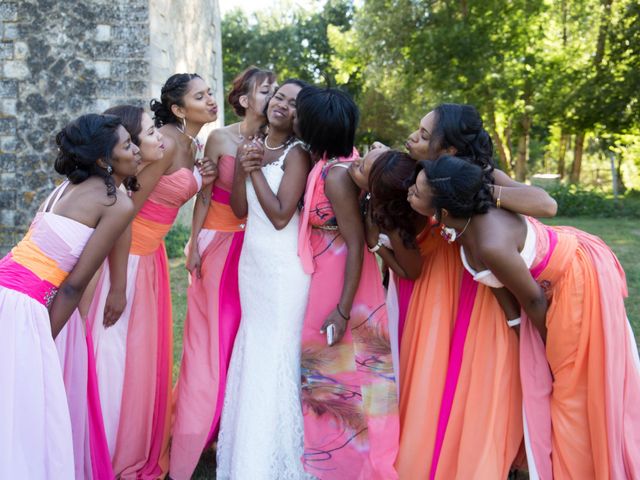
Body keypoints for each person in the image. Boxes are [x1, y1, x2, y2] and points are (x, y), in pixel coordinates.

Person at [412, 154, 640, 479]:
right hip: (549, 287)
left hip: (575, 282)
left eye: (417, 192)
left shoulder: (490, 242)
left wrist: (551, 356)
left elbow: (533, 300)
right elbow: (502, 289)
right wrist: (518, 331)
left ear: (443, 211)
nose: (410, 192)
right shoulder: (463, 224)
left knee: (571, 393)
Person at [368, 104, 557, 479]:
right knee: (425, 378)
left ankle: (474, 459)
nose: (412, 138)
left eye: (424, 135)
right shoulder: (411, 172)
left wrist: (473, 189)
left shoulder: (480, 179)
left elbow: (546, 204)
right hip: (427, 289)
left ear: (449, 152)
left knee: (477, 379)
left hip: (478, 289)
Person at [91, 74, 218, 478]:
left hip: (154, 256)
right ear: (178, 109)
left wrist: (203, 182)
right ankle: (107, 441)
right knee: (116, 353)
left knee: (143, 356)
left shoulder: (192, 144)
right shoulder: (162, 142)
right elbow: (125, 206)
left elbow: (192, 192)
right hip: (129, 255)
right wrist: (119, 283)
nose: (211, 100)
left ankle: (136, 434)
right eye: (201, 96)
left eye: (210, 93)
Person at [0, 113, 138, 478]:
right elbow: (74, 284)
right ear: (103, 160)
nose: (136, 149)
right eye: (127, 145)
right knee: (28, 407)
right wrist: (44, 340)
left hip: (5, 288)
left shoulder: (62, 187)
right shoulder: (117, 204)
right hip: (26, 306)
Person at [170, 66, 277, 480]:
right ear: (246, 99)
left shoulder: (277, 144)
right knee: (209, 340)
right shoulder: (220, 138)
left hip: (253, 250)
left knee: (240, 343)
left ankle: (228, 427)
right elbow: (203, 195)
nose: (275, 98)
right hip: (216, 247)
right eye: (267, 91)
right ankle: (196, 430)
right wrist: (193, 243)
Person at [55, 105, 169, 479]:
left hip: (34, 286)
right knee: (80, 360)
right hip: (65, 290)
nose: (150, 143)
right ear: (111, 154)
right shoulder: (109, 198)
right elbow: (75, 280)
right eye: (145, 135)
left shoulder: (97, 188)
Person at [296, 86, 399, 480]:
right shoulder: (332, 162)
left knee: (344, 373)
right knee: (339, 373)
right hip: (328, 272)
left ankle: (349, 464)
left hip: (343, 281)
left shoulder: (337, 175)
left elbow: (357, 245)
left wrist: (341, 308)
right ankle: (338, 459)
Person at [216, 79, 312, 479]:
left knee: (276, 351)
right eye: (279, 97)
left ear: (299, 115)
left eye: (292, 103)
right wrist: (243, 164)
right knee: (253, 347)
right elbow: (240, 209)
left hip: (283, 269)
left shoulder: (298, 155)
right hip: (252, 265)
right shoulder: (252, 145)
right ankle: (246, 453)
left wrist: (253, 169)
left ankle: (278, 460)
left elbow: (279, 216)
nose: (281, 105)